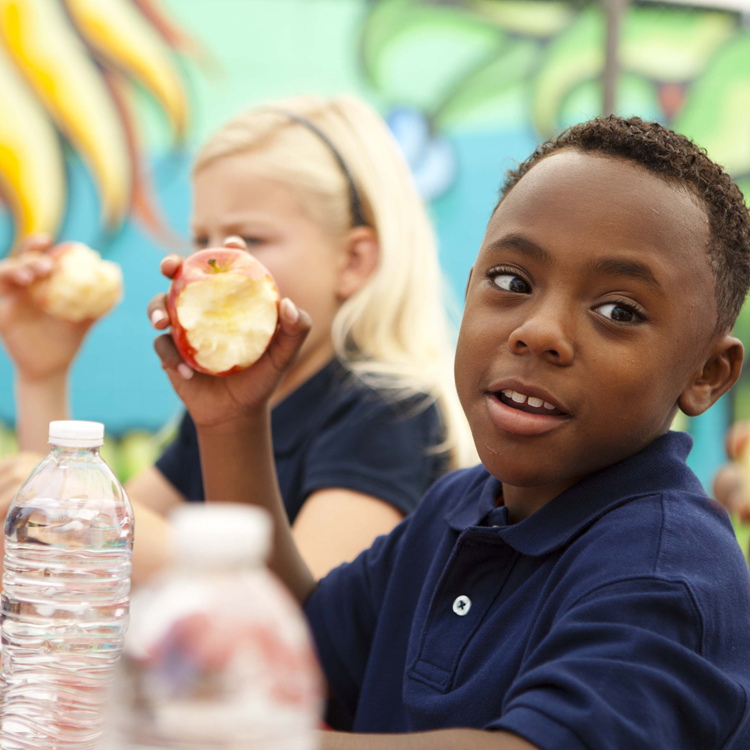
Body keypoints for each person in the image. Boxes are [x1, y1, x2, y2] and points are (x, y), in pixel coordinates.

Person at [150, 116, 750, 748]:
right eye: (512, 282)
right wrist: (234, 421)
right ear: (470, 289)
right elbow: (294, 642)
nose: (539, 331)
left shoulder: (668, 570)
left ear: (708, 374)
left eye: (617, 311)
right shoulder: (456, 509)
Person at [0, 96, 473, 581]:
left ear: (352, 262)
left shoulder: (388, 414)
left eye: (253, 237)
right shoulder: (228, 412)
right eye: (201, 237)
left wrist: (92, 509)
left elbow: (306, 620)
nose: (210, 263)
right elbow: (60, 558)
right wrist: (43, 374)